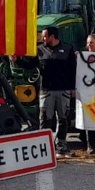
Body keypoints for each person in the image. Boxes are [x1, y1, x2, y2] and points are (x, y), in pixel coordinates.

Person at [38, 27, 77, 157]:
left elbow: (73, 70)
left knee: (63, 118)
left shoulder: (67, 49)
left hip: (63, 89)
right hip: (46, 90)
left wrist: (73, 88)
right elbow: (30, 64)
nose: (43, 39)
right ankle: (44, 147)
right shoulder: (39, 49)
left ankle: (61, 145)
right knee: (45, 119)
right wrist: (16, 60)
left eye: (45, 36)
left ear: (53, 36)